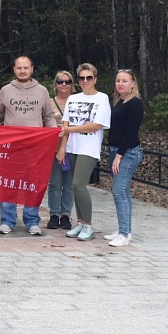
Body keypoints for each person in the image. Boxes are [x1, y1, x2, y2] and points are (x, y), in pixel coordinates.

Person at [0, 56, 57, 235]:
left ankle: (32, 221)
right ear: (14, 69)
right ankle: (7, 220)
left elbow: (48, 117)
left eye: (26, 68)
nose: (22, 71)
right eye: (19, 68)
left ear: (32, 69)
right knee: (9, 184)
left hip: (35, 148)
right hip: (11, 147)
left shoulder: (42, 91)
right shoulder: (6, 90)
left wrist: (53, 133)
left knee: (32, 184)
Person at [58, 63, 111, 242]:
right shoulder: (72, 98)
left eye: (89, 77)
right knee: (74, 186)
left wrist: (71, 130)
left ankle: (88, 225)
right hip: (73, 146)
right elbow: (65, 125)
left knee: (79, 183)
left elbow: (96, 125)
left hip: (89, 148)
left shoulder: (102, 98)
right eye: (82, 78)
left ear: (95, 79)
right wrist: (62, 148)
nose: (85, 81)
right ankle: (80, 222)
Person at [105, 70, 144, 247]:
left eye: (125, 81)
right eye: (118, 80)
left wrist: (119, 156)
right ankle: (123, 228)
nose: (120, 84)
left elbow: (131, 133)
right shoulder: (120, 102)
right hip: (116, 150)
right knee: (123, 192)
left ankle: (124, 233)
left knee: (118, 191)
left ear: (133, 84)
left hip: (127, 153)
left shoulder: (134, 103)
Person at [46, 70, 77, 230]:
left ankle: (66, 214)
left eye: (67, 81)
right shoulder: (49, 102)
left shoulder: (77, 101)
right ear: (55, 84)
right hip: (54, 146)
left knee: (70, 183)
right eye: (60, 81)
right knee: (55, 182)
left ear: (72, 84)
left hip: (74, 146)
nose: (64, 84)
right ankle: (53, 214)